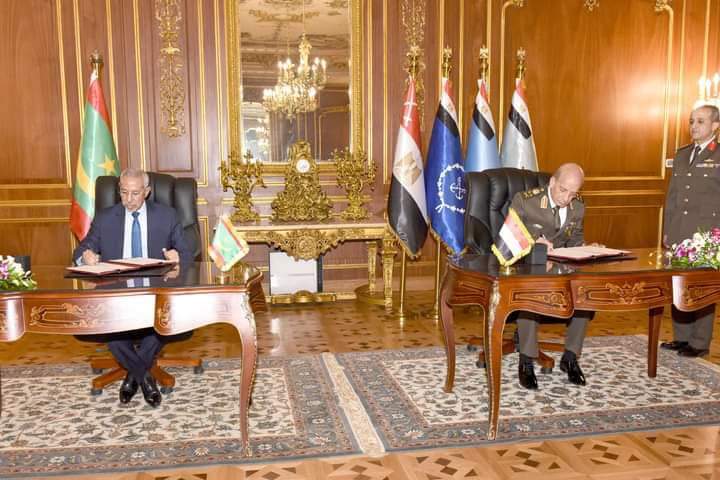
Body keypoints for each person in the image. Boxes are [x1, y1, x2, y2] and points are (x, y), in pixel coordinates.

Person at [73, 168, 193, 407]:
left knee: (161, 322)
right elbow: (80, 250)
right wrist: (85, 257)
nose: (128, 199)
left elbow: (188, 253)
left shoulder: (167, 216)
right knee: (110, 327)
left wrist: (178, 258)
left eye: (135, 193)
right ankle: (145, 378)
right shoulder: (105, 217)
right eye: (123, 192)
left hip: (155, 292)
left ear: (146, 192)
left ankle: (133, 376)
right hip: (116, 294)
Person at [509, 162, 592, 389]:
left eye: (573, 193)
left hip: (559, 270)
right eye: (563, 190)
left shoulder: (578, 207)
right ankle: (526, 360)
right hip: (527, 266)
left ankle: (571, 357)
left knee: (583, 296)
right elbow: (508, 236)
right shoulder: (525, 201)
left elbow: (575, 241)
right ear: (552, 182)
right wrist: (533, 242)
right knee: (531, 296)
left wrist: (588, 248)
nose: (567, 198)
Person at [660, 104, 720, 358]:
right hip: (679, 231)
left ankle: (699, 342)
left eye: (700, 121)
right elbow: (672, 195)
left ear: (715, 126)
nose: (694, 126)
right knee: (679, 285)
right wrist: (667, 229)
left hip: (707, 234)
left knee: (702, 288)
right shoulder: (683, 154)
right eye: (692, 121)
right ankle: (682, 337)